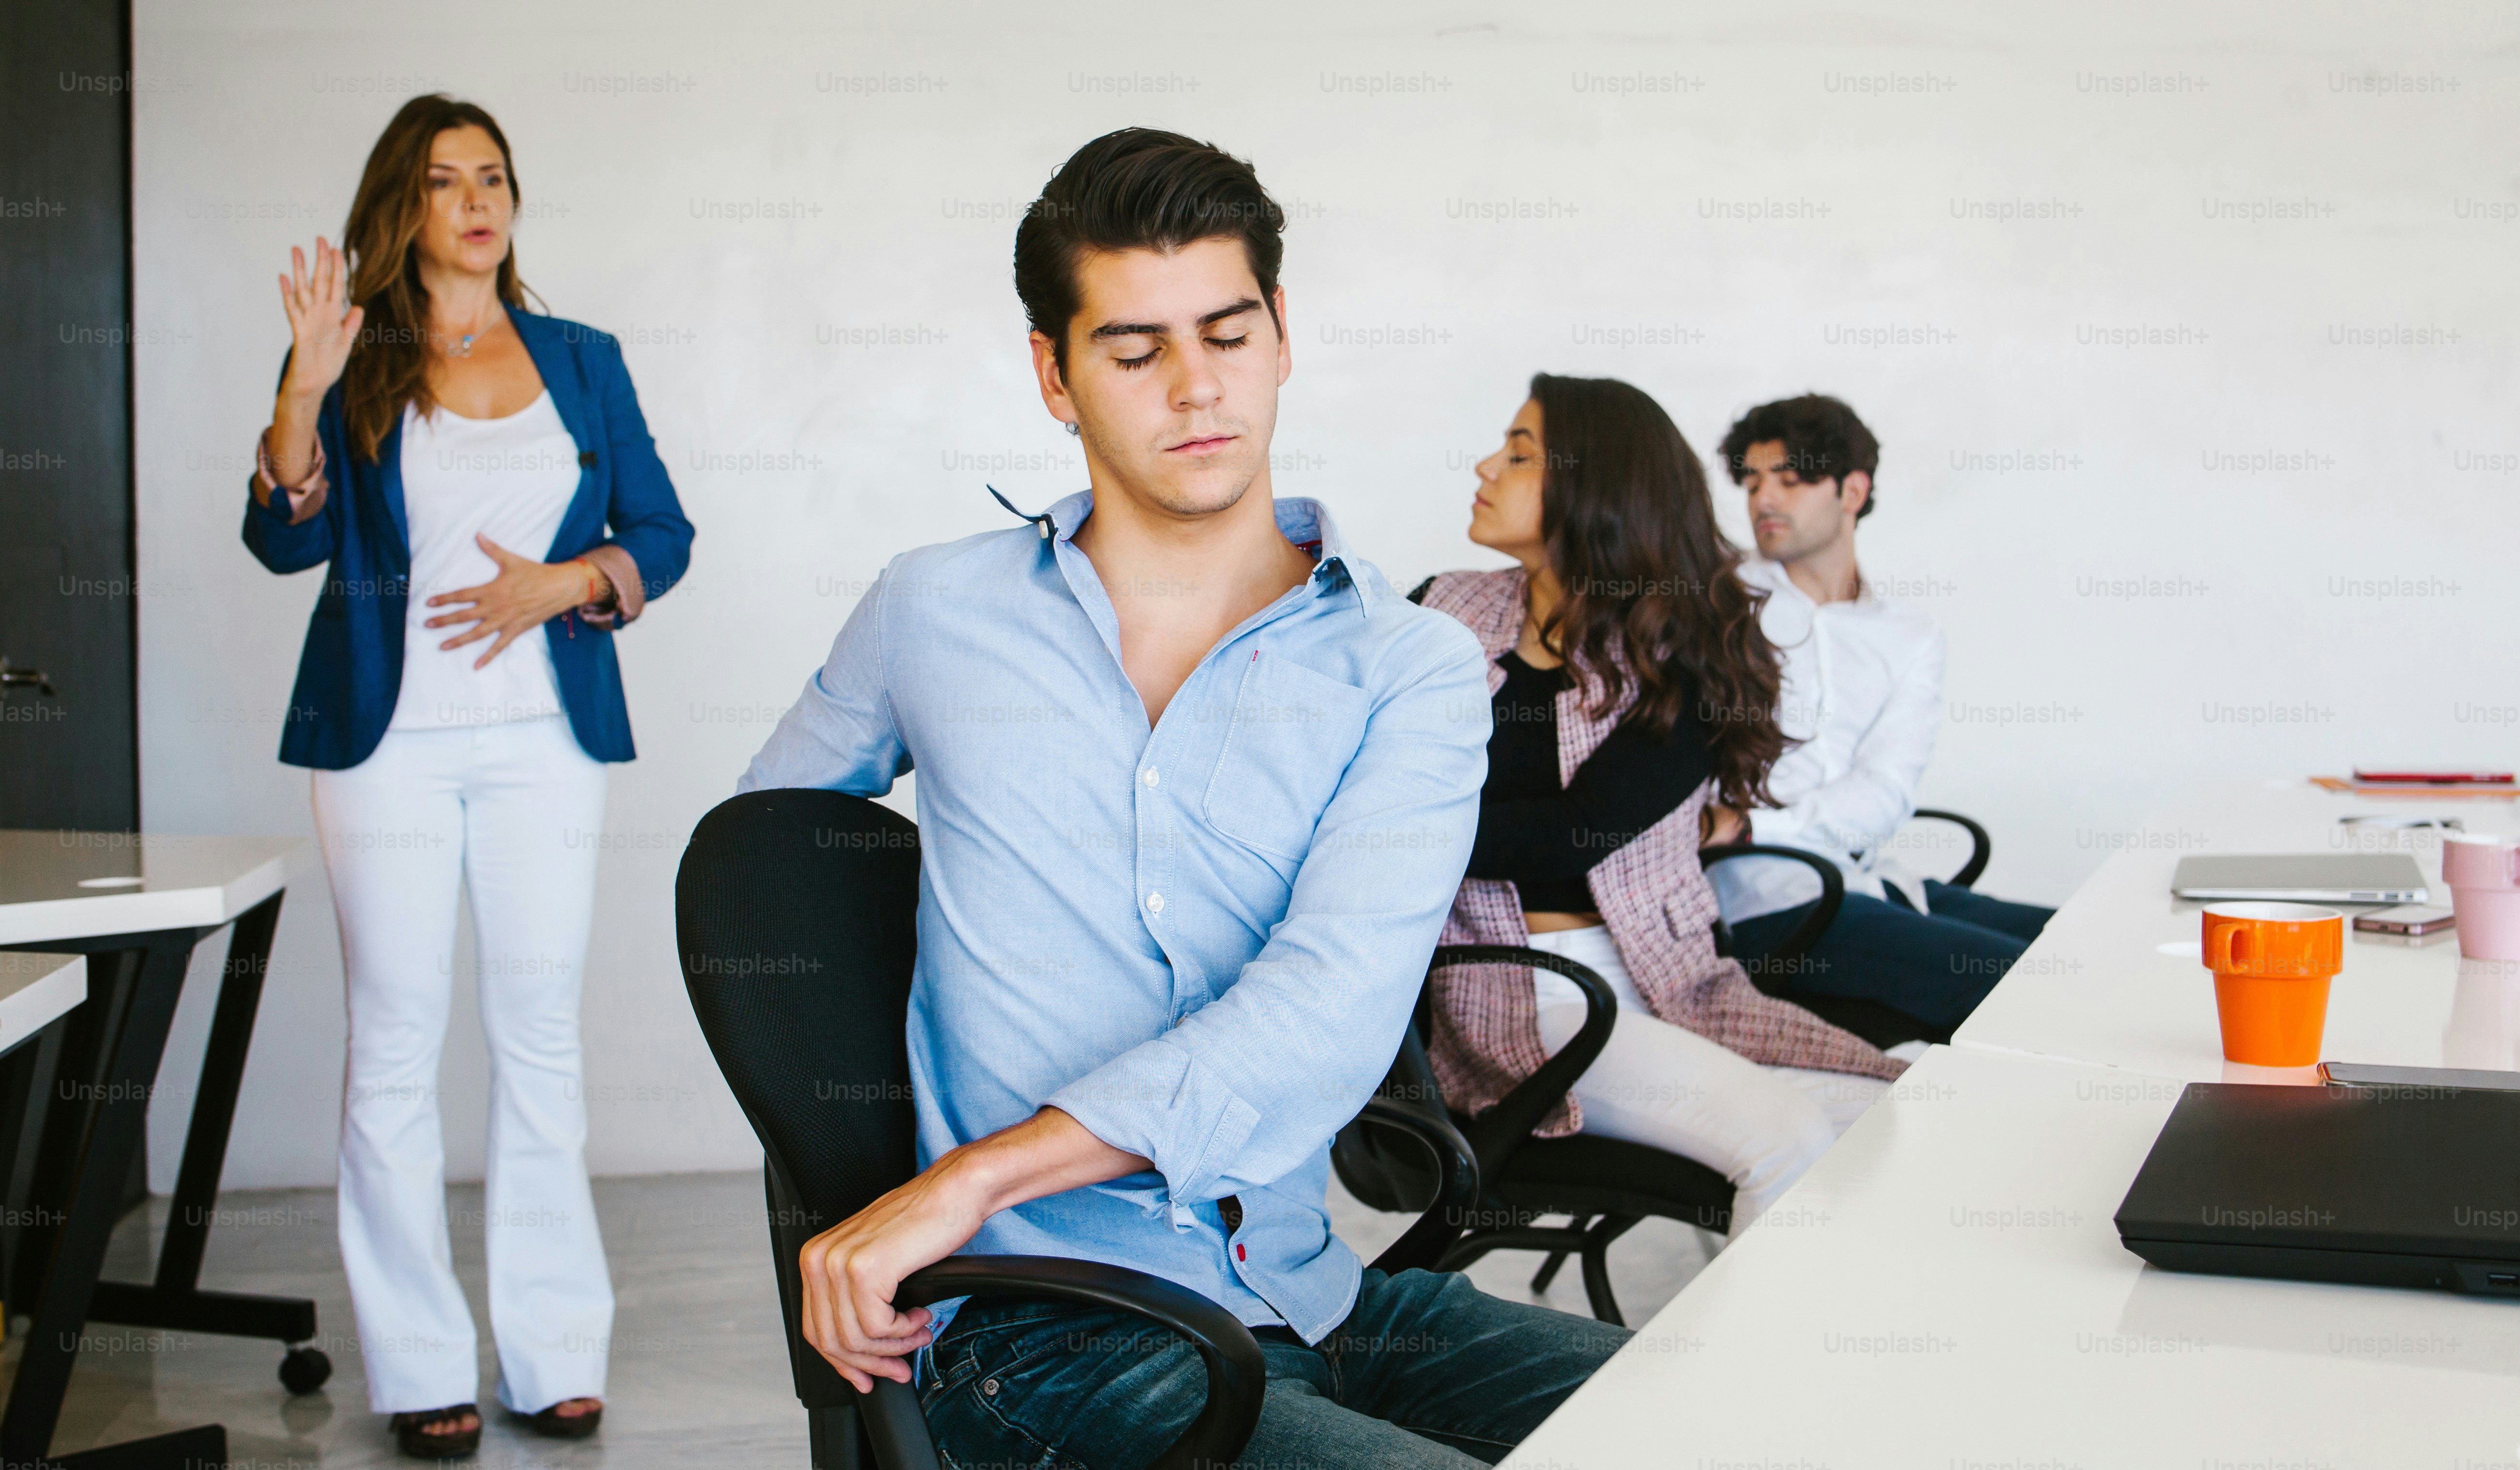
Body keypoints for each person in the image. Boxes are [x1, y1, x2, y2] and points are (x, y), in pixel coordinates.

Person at [739, 128, 1624, 1468]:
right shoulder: (932, 612)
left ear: (1281, 333)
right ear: (1054, 373)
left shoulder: (1411, 668)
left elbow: (1327, 1011)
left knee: (1746, 1413)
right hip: (1036, 1324)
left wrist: (970, 1172)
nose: (1194, 390)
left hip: (1310, 1287)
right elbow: (757, 884)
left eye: (1225, 333)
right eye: (1134, 350)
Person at [242, 95, 693, 1459]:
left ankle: (554, 1354)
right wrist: (300, 394)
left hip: (540, 744)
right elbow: (278, 542)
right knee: (392, 1033)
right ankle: (418, 1361)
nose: (476, 200)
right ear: (406, 208)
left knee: (537, 1032)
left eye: (492, 176)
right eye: (444, 181)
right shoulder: (350, 354)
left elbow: (662, 531)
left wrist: (571, 581)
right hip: (385, 743)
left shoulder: (581, 357)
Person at [1418, 376, 1906, 1232]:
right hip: (1520, 994)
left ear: (1596, 487)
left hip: (1671, 980)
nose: (1487, 465)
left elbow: (1570, 841)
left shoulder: (1685, 645)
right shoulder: (1435, 615)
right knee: (1783, 1135)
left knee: (1892, 1116)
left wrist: (1415, 825)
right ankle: (1747, 1369)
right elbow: (1383, 806)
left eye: (1521, 453)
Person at [1708, 393, 2050, 1041]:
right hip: (1766, 902)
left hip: (1866, 879)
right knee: (2021, 989)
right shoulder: (1719, 606)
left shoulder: (1908, 636)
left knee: (2079, 947)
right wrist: (1751, 833)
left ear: (1852, 490)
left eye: (1789, 479)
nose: (1763, 500)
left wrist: (1757, 823)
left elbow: (1886, 789)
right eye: (1751, 481)